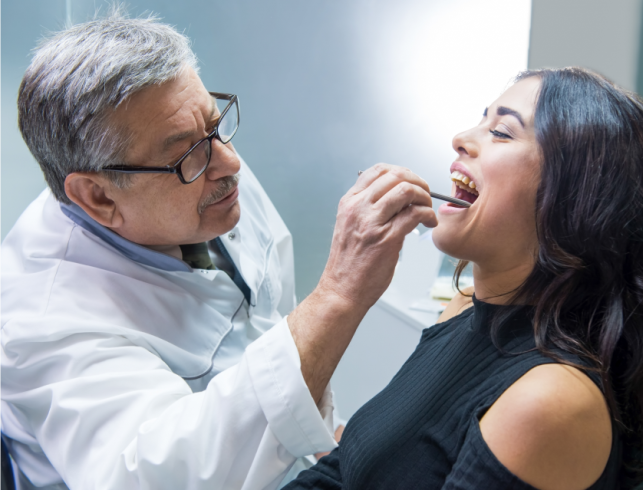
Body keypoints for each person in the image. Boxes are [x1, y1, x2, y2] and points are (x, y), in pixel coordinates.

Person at [0, 13, 437, 490]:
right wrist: (338, 296)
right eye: (188, 153)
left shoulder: (205, 169)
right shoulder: (43, 322)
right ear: (99, 197)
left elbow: (268, 312)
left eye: (215, 123)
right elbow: (159, 478)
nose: (229, 162)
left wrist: (322, 432)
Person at [286, 68, 643, 490]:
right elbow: (346, 471)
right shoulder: (461, 312)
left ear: (573, 198)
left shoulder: (548, 401)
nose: (461, 137)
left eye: (500, 132)